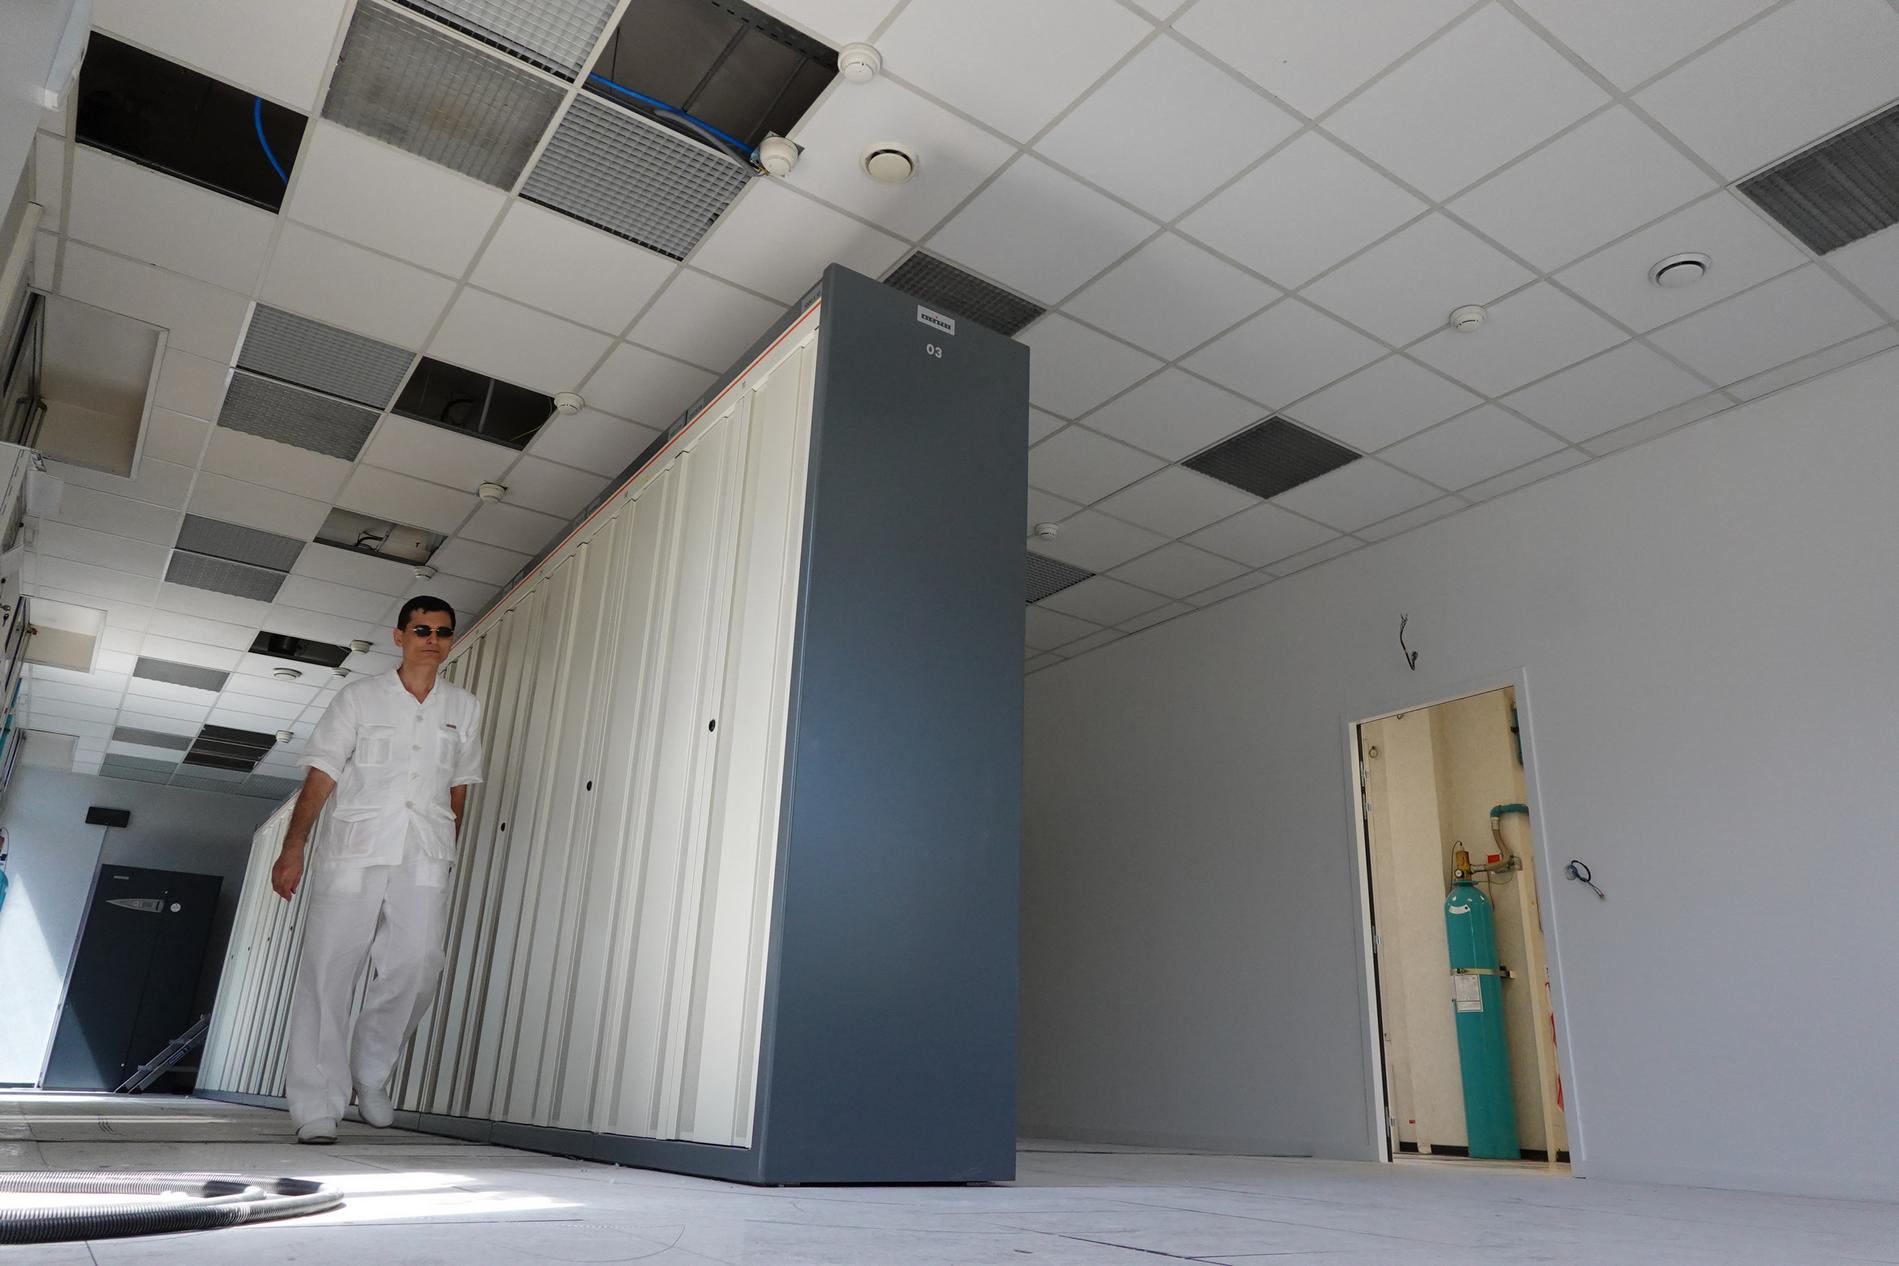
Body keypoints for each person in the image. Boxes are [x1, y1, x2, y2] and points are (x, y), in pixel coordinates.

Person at [270, 596, 483, 1144]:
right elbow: (322, 772)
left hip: (425, 850)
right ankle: (317, 1102)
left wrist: (448, 845)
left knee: (420, 963)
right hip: (354, 849)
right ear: (400, 636)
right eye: (421, 629)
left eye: (442, 631)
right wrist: (294, 845)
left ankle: (370, 1070)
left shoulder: (464, 707)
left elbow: (459, 786)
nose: (431, 639)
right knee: (328, 970)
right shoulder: (359, 697)